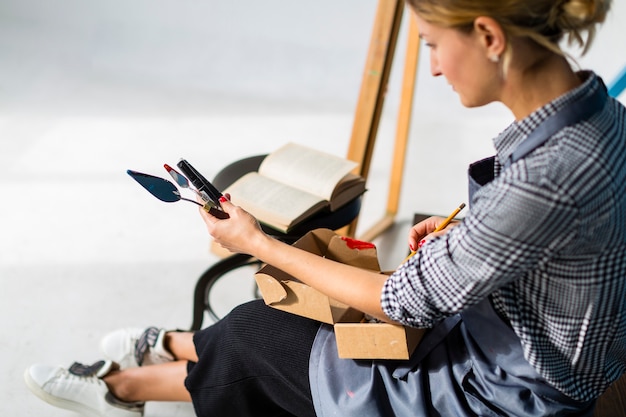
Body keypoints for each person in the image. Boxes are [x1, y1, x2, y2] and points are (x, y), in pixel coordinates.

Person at [25, 0, 626, 416]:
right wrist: (464, 237)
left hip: (504, 391)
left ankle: (122, 385)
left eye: (433, 46)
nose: (436, 66)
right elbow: (556, 233)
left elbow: (402, 299)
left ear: (490, 37)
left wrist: (259, 243)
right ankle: (170, 346)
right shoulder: (601, 117)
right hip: (525, 338)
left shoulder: (544, 179)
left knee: (250, 339)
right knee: (265, 323)